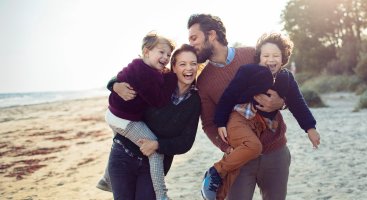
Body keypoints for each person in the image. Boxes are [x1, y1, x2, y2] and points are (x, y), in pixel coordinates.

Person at [187, 14, 320, 200]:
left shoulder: (253, 54)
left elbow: (290, 93)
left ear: (211, 35)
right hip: (241, 159)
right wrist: (227, 148)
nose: (191, 44)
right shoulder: (204, 81)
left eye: (194, 38)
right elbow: (209, 124)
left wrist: (281, 104)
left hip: (276, 153)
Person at [103, 43, 201, 200]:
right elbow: (130, 74)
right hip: (123, 155)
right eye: (182, 64)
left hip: (153, 165)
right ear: (173, 67)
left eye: (193, 64)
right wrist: (114, 85)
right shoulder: (159, 81)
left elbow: (185, 142)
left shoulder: (195, 101)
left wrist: (158, 145)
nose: (188, 68)